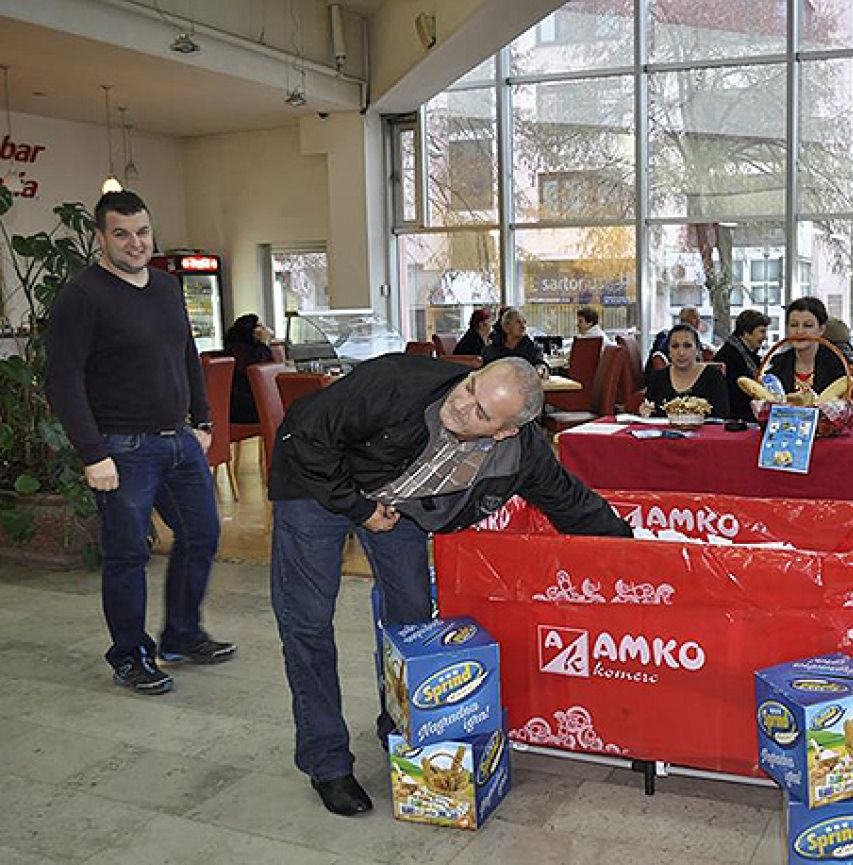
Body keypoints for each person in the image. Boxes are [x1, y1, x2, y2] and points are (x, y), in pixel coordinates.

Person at [268, 355, 631, 817]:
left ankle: (400, 730)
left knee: (413, 623)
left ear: (504, 431)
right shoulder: (396, 383)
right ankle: (327, 762)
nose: (462, 406)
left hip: (397, 501)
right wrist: (358, 509)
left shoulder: (520, 454)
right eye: (470, 388)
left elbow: (572, 503)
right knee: (308, 623)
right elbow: (304, 432)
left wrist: (633, 552)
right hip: (315, 480)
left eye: (481, 412)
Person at [44, 191, 234, 696]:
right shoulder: (83, 297)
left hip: (179, 442)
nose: (135, 243)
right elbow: (63, 381)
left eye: (142, 232)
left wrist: (203, 419)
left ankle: (182, 634)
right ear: (102, 237)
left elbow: (187, 353)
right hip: (121, 449)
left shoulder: (167, 288)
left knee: (202, 537)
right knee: (128, 556)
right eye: (122, 233)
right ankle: (130, 656)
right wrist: (92, 453)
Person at [640, 323, 730, 419]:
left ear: (698, 350)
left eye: (687, 346)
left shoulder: (714, 377)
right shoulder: (657, 378)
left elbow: (722, 417)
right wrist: (645, 411)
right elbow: (650, 413)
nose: (681, 352)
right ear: (669, 351)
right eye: (675, 346)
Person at [766, 297, 845, 396]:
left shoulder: (837, 364)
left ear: (821, 329)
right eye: (794, 325)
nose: (799, 331)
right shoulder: (778, 364)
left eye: (808, 325)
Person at [713, 309, 770, 422]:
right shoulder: (729, 357)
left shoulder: (744, 354)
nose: (765, 337)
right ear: (746, 332)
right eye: (761, 332)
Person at [224, 313, 275, 423]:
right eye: (260, 326)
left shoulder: (252, 349)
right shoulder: (239, 351)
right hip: (245, 407)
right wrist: (264, 343)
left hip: (254, 402)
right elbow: (259, 371)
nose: (264, 329)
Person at [481, 306, 548, 375]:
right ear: (506, 326)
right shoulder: (491, 350)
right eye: (518, 322)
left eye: (524, 322)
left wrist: (541, 369)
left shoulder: (533, 348)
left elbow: (540, 364)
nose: (523, 326)